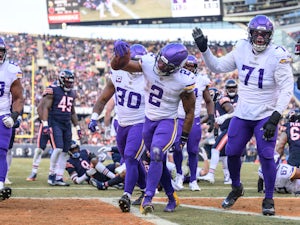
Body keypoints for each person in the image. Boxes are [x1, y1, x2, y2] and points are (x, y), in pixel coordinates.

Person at [192, 15, 294, 216]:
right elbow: (218, 67)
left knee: (266, 155)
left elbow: (286, 88)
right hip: (243, 113)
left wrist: (275, 117)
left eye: (264, 34)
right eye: (256, 33)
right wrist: (204, 50)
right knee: (231, 152)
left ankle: (269, 198)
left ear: (270, 36)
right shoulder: (241, 47)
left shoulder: (278, 54)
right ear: (250, 33)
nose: (260, 38)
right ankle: (236, 187)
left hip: (266, 113)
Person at [111, 40, 197, 214]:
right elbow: (121, 66)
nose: (160, 66)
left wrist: (184, 137)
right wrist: (119, 56)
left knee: (157, 152)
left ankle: (148, 197)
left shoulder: (183, 80)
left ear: (176, 68)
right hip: (149, 122)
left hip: (167, 121)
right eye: (160, 60)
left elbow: (190, 112)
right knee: (159, 162)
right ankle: (172, 197)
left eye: (166, 65)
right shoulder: (149, 62)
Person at [88, 44, 148, 213]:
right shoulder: (118, 72)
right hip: (121, 124)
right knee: (132, 160)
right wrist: (94, 117)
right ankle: (145, 191)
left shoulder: (149, 77)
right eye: (132, 61)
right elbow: (103, 98)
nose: (135, 65)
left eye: (138, 62)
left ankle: (126, 195)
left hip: (141, 123)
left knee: (130, 157)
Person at [171, 55, 214, 192]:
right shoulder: (176, 78)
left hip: (194, 119)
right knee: (177, 148)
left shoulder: (201, 80)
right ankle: (179, 175)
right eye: (187, 66)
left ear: (196, 67)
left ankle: (193, 180)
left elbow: (208, 101)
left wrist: (211, 116)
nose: (189, 68)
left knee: (193, 150)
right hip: (179, 118)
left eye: (191, 66)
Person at [38, 69, 82, 186]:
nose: (69, 84)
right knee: (58, 148)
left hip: (66, 123)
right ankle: (51, 175)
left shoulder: (72, 93)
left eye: (71, 82)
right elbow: (45, 108)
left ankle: (59, 176)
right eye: (67, 82)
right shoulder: (53, 90)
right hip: (55, 122)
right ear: (61, 81)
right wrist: (46, 124)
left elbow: (72, 112)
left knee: (65, 151)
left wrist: (77, 127)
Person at [0, 37, 24, 201]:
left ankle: (0, 185)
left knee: (1, 152)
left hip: (2, 115)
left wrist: (13, 116)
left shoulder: (11, 70)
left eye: (1, 51)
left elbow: (18, 98)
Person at [199, 86, 235, 185]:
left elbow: (233, 111)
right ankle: (229, 177)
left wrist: (225, 117)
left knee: (215, 149)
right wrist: (198, 123)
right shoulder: (214, 105)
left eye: (210, 95)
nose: (208, 98)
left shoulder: (222, 100)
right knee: (223, 155)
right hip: (225, 129)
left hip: (230, 129)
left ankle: (210, 175)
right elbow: (209, 117)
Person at [5, 113, 22, 184]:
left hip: (9, 123)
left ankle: (5, 175)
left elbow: (19, 108)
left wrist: (18, 119)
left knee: (8, 150)